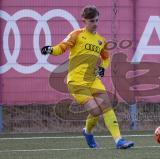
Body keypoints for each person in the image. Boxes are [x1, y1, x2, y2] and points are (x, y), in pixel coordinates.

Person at [41, 5, 134, 149]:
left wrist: (102, 68)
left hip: (93, 80)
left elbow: (106, 58)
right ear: (84, 20)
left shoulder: (100, 40)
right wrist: (50, 49)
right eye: (92, 21)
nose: (95, 23)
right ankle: (87, 132)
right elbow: (61, 48)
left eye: (97, 20)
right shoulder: (76, 35)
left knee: (106, 106)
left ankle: (119, 141)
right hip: (76, 81)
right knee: (95, 111)